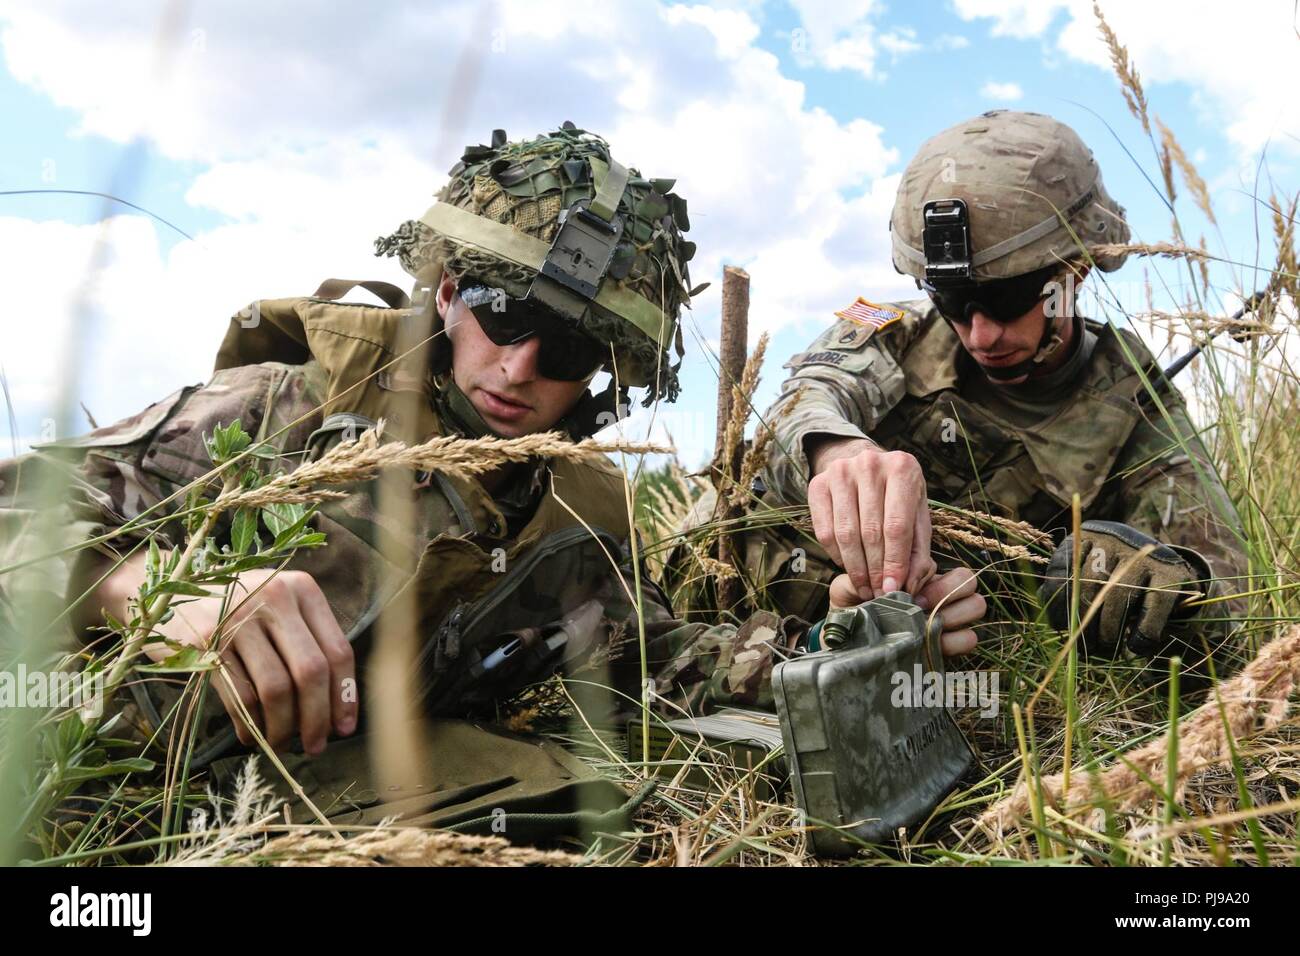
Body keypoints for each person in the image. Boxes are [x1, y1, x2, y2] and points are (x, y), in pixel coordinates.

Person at [1, 124, 986, 838]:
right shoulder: (285, 408)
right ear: (444, 292)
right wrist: (148, 588)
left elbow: (660, 659)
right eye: (499, 312)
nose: (518, 367)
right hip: (77, 778)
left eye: (562, 345)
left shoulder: (576, 504)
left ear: (603, 371)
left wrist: (849, 641)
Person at [749, 109, 1247, 671]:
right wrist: (836, 451)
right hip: (756, 633)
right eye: (953, 300)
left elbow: (1227, 599)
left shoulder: (1132, 400)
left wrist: (1159, 590)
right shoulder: (893, 333)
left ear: (1077, 271)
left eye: (1009, 299)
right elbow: (801, 400)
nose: (980, 333)